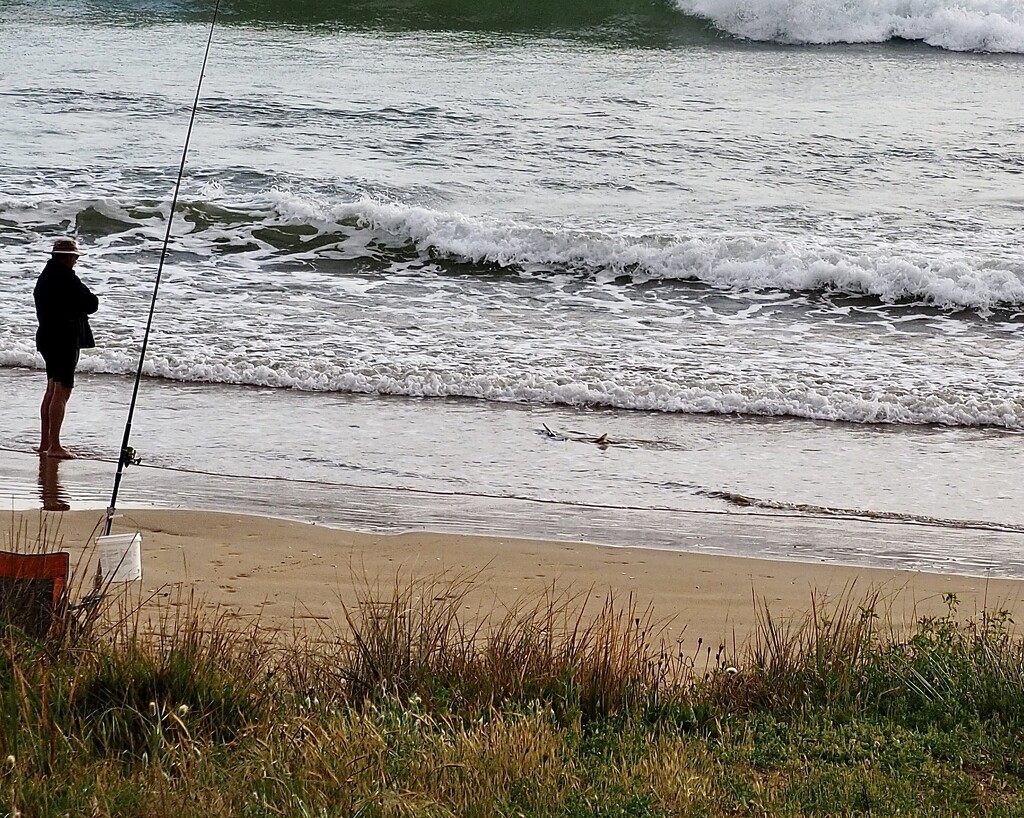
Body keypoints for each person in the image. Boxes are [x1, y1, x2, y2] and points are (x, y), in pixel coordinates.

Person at [34, 237, 99, 459]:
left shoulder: (45, 277)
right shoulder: (67, 279)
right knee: (62, 391)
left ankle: (45, 443)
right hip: (63, 339)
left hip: (46, 336)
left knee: (52, 389)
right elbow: (92, 304)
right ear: (69, 258)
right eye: (74, 258)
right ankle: (55, 446)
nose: (75, 262)